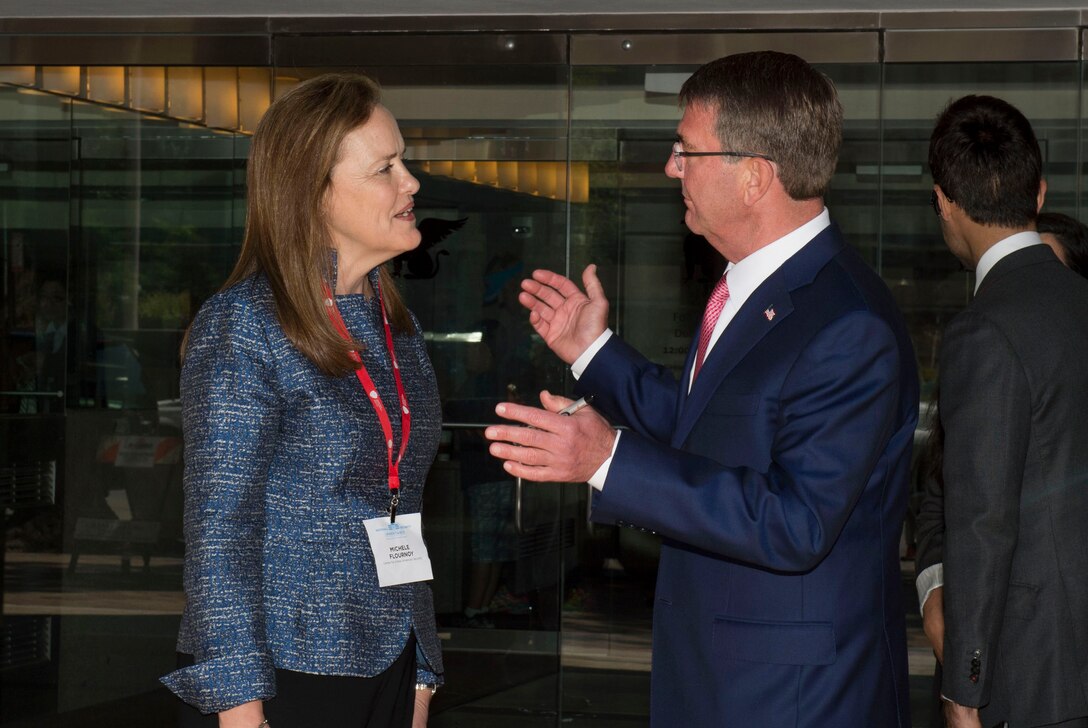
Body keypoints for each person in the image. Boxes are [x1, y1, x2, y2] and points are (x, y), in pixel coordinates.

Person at [484, 50, 918, 727]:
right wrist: (592, 351)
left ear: (753, 177)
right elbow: (705, 424)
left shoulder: (847, 322)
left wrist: (606, 460)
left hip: (790, 700)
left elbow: (795, 522)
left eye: (686, 150)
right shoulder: (752, 286)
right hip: (723, 678)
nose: (670, 167)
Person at [160, 73, 444, 728]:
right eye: (386, 168)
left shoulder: (395, 328)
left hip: (390, 662)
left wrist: (423, 670)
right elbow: (218, 533)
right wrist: (237, 706)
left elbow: (403, 503)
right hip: (281, 673)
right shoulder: (244, 325)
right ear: (315, 192)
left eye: (405, 162)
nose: (412, 183)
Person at [918, 94, 1088, 728]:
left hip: (1035, 680)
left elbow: (983, 524)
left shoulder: (985, 329)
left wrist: (964, 687)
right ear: (1039, 193)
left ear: (944, 202)